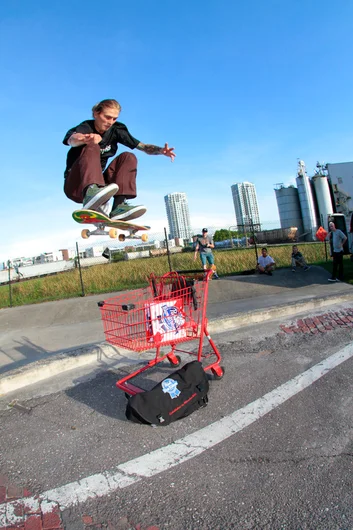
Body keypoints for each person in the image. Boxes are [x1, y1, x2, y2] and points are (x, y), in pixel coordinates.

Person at [63, 99, 176, 221]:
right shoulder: (85, 127)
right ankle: (90, 192)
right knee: (92, 145)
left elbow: (143, 147)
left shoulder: (117, 130)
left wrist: (160, 151)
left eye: (114, 118)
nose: (110, 122)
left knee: (128, 157)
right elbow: (72, 140)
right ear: (96, 113)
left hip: (100, 187)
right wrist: (85, 139)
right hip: (76, 185)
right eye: (107, 117)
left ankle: (119, 207)